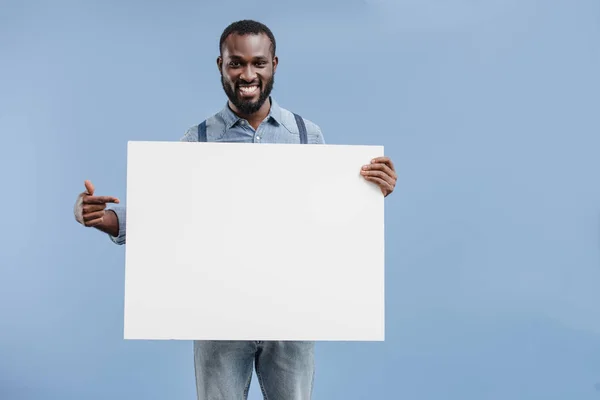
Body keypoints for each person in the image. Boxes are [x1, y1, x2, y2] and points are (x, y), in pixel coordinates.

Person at [73, 19, 397, 400]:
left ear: (274, 65)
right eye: (236, 63)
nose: (248, 74)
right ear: (221, 66)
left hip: (291, 313)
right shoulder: (198, 139)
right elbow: (164, 217)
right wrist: (101, 219)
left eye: (258, 63)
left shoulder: (309, 135)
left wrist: (373, 193)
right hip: (218, 316)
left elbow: (327, 216)